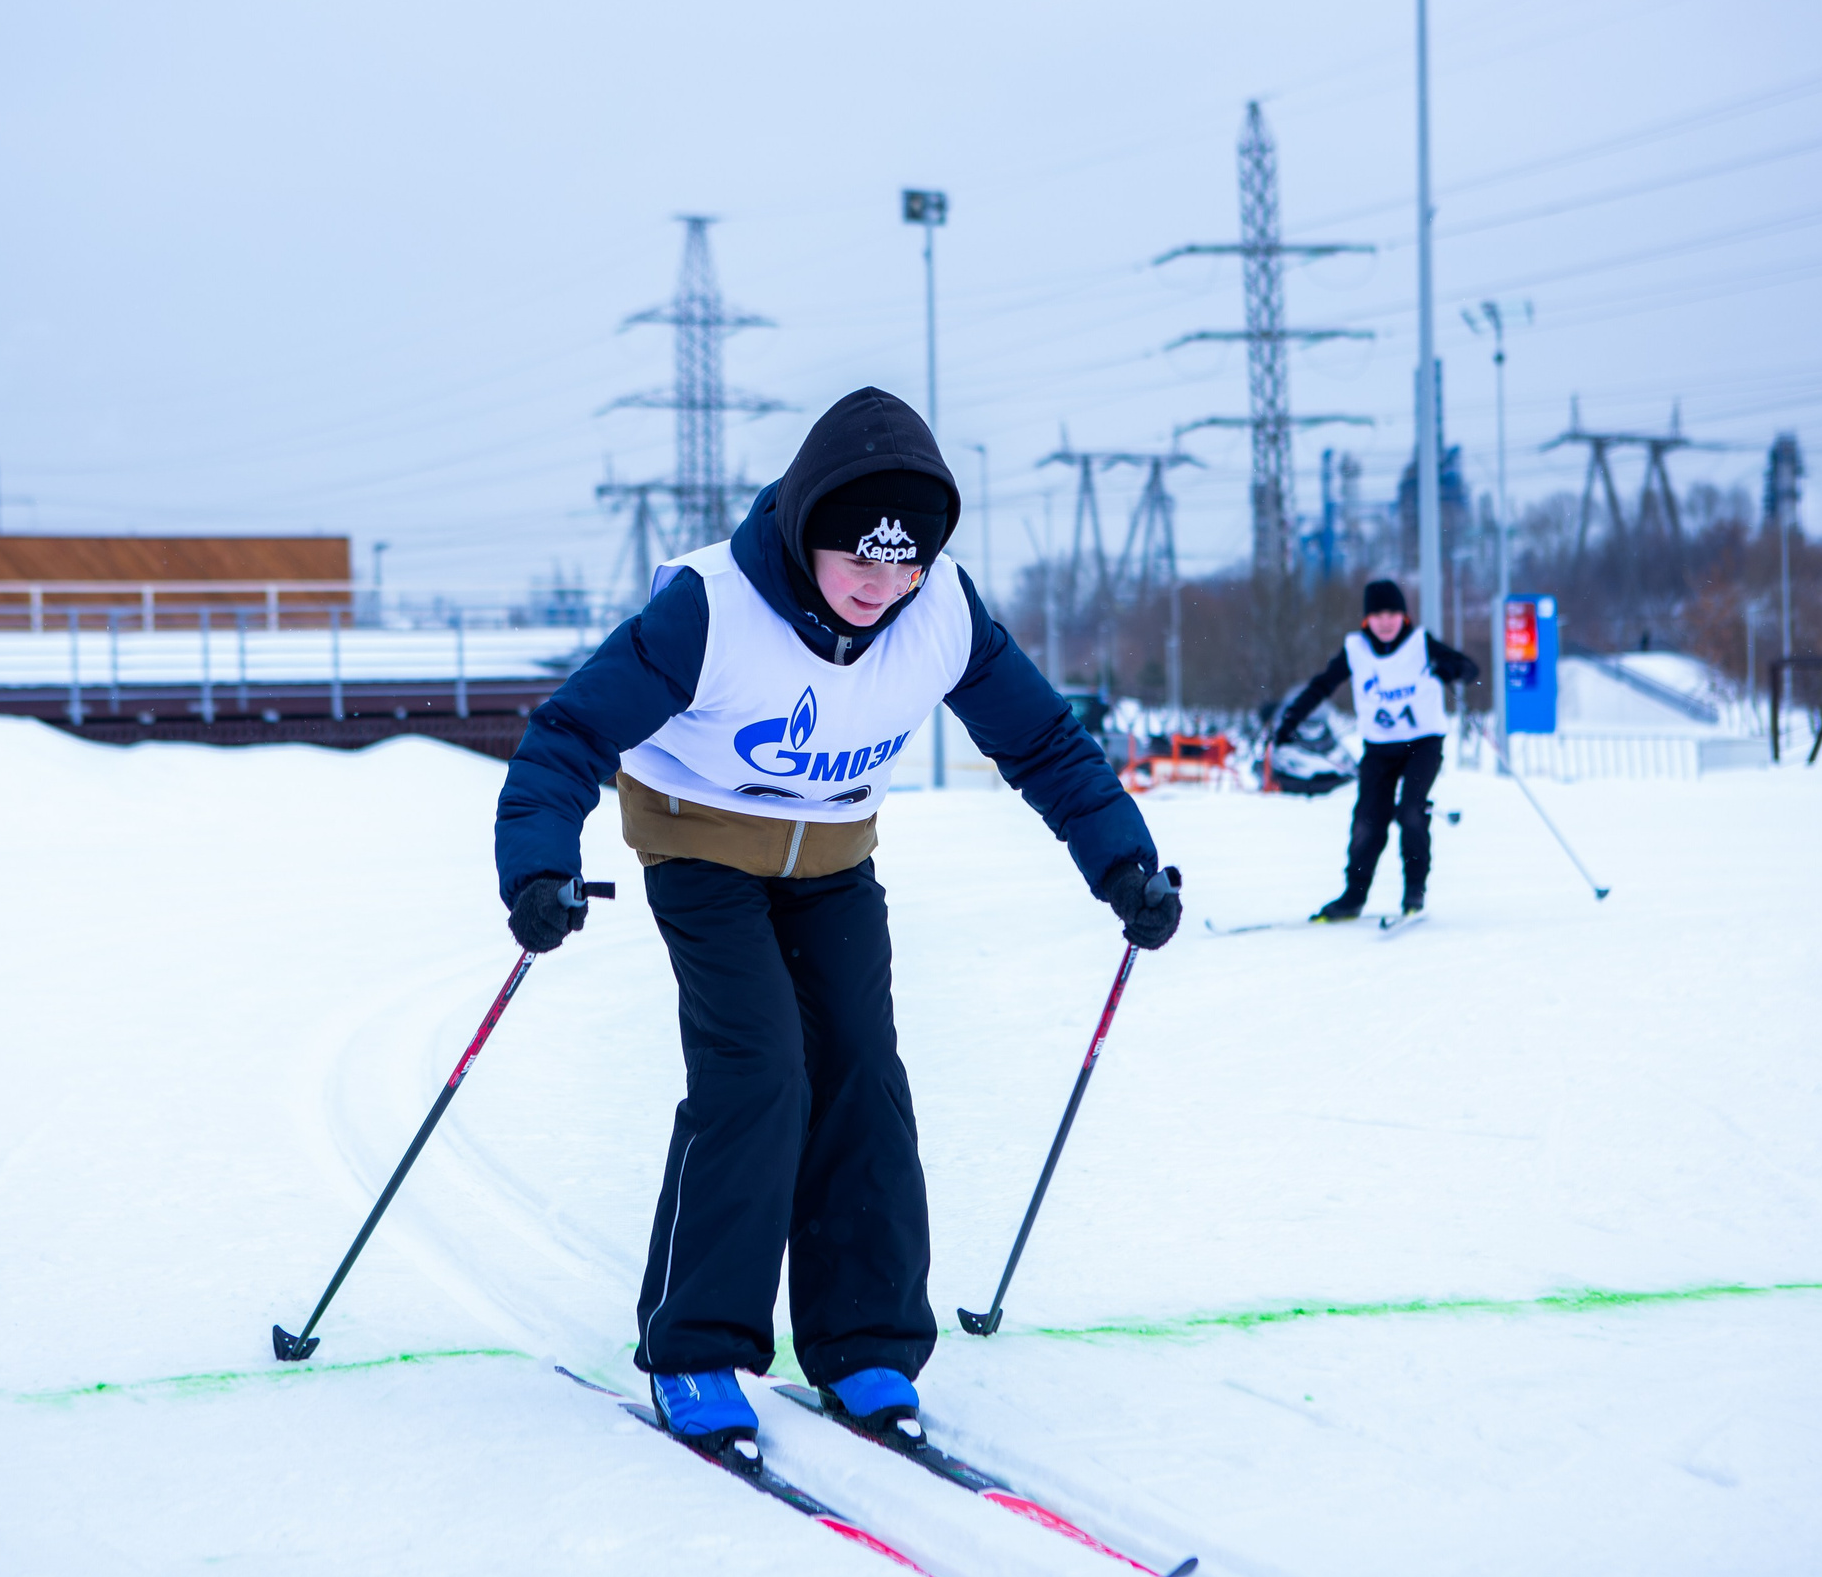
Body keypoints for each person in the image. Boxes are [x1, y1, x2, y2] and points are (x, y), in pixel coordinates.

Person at [494, 386, 1181, 1458]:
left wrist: (1123, 865)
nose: (881, 586)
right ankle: (692, 1348)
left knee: (864, 1070)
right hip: (700, 848)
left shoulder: (942, 612)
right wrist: (538, 866)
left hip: (836, 861)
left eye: (903, 563)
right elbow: (569, 734)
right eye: (859, 559)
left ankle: (864, 1341)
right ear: (805, 531)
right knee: (759, 1070)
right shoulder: (710, 608)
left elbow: (1043, 744)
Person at [1270, 577, 1479, 922]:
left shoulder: (1420, 644)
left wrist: (1450, 669)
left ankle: (1414, 892)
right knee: (1367, 822)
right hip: (1379, 750)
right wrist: (1289, 721)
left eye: (1393, 613)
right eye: (1378, 614)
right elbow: (1322, 686)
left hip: (1423, 744)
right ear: (1367, 619)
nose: (1385, 621)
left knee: (1411, 812)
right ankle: (1353, 897)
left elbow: (1470, 669)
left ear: (1404, 617)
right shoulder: (1356, 650)